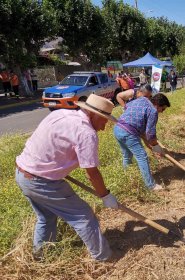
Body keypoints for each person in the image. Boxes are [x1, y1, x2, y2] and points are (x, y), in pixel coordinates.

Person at [15, 94, 119, 261]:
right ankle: (104, 258)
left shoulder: (60, 113)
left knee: (46, 216)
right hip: (41, 181)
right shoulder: (86, 133)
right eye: (104, 120)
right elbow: (92, 173)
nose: (104, 127)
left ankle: (40, 257)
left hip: (23, 173)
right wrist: (106, 196)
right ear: (93, 114)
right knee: (84, 216)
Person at [114, 93, 171, 191]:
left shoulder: (142, 99)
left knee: (127, 155)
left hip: (118, 128)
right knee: (142, 157)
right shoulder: (153, 111)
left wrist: (152, 147)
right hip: (129, 132)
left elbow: (144, 133)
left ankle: (128, 178)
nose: (162, 112)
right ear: (157, 104)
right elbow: (150, 134)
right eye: (163, 109)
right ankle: (151, 186)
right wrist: (156, 147)